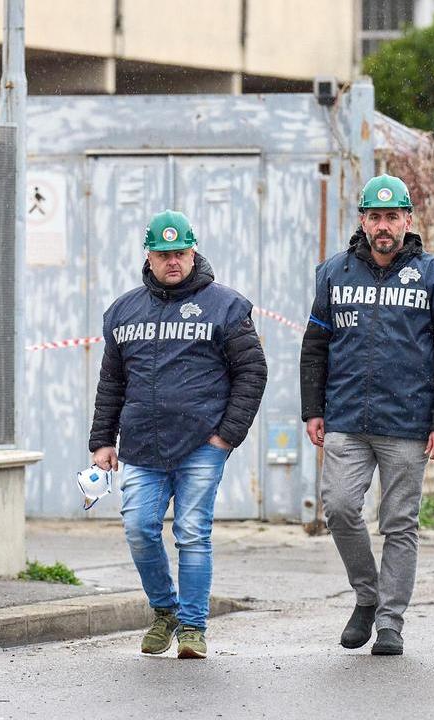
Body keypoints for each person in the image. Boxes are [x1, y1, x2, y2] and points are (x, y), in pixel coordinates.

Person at [300, 174, 434, 657]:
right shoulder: (334, 274)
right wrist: (313, 408)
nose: (383, 226)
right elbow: (315, 347)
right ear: (363, 221)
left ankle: (391, 623)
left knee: (399, 523)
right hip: (347, 418)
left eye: (392, 217)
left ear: (407, 221)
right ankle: (367, 595)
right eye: (375, 216)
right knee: (338, 508)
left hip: (408, 423)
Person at [89, 209, 267, 659]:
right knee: (138, 529)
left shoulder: (227, 306)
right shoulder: (123, 311)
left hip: (201, 445)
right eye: (164, 254)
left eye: (181, 253)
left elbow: (252, 372)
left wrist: (227, 436)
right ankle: (164, 611)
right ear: (148, 256)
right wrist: (102, 440)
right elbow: (111, 381)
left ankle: (192, 627)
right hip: (142, 447)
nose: (173, 261)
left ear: (194, 252)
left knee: (191, 531)